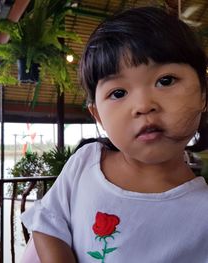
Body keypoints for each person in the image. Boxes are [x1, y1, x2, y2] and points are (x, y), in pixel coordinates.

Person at [20, 6, 208, 263]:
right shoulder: (86, 163)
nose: (143, 105)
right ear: (97, 115)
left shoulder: (203, 211)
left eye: (165, 80)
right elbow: (46, 223)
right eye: (118, 93)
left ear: (203, 96)